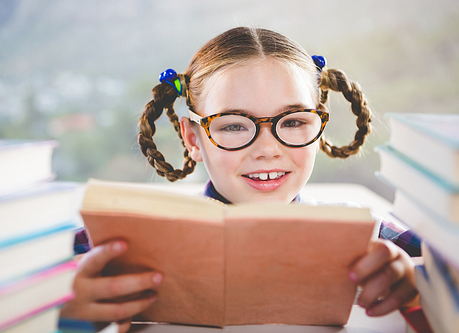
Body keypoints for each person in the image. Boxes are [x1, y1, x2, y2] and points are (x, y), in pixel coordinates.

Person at [61, 27, 420, 332]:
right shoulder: (98, 249)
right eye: (234, 125)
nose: (267, 149)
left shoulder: (377, 244)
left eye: (293, 121)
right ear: (192, 139)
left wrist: (422, 292)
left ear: (318, 124)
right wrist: (65, 317)